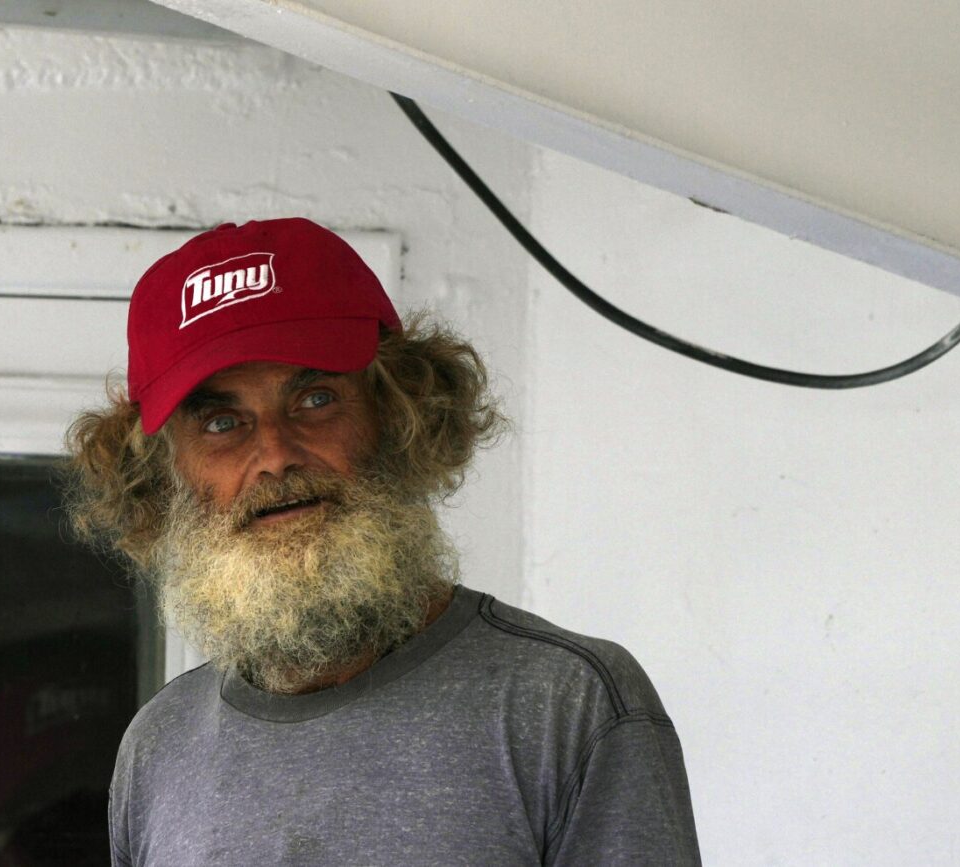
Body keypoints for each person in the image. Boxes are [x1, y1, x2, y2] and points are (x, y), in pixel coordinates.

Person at [63, 218, 702, 865]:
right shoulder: (160, 745)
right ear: (164, 475)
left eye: (315, 399)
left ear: (399, 414)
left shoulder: (566, 704)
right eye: (222, 423)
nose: (276, 455)